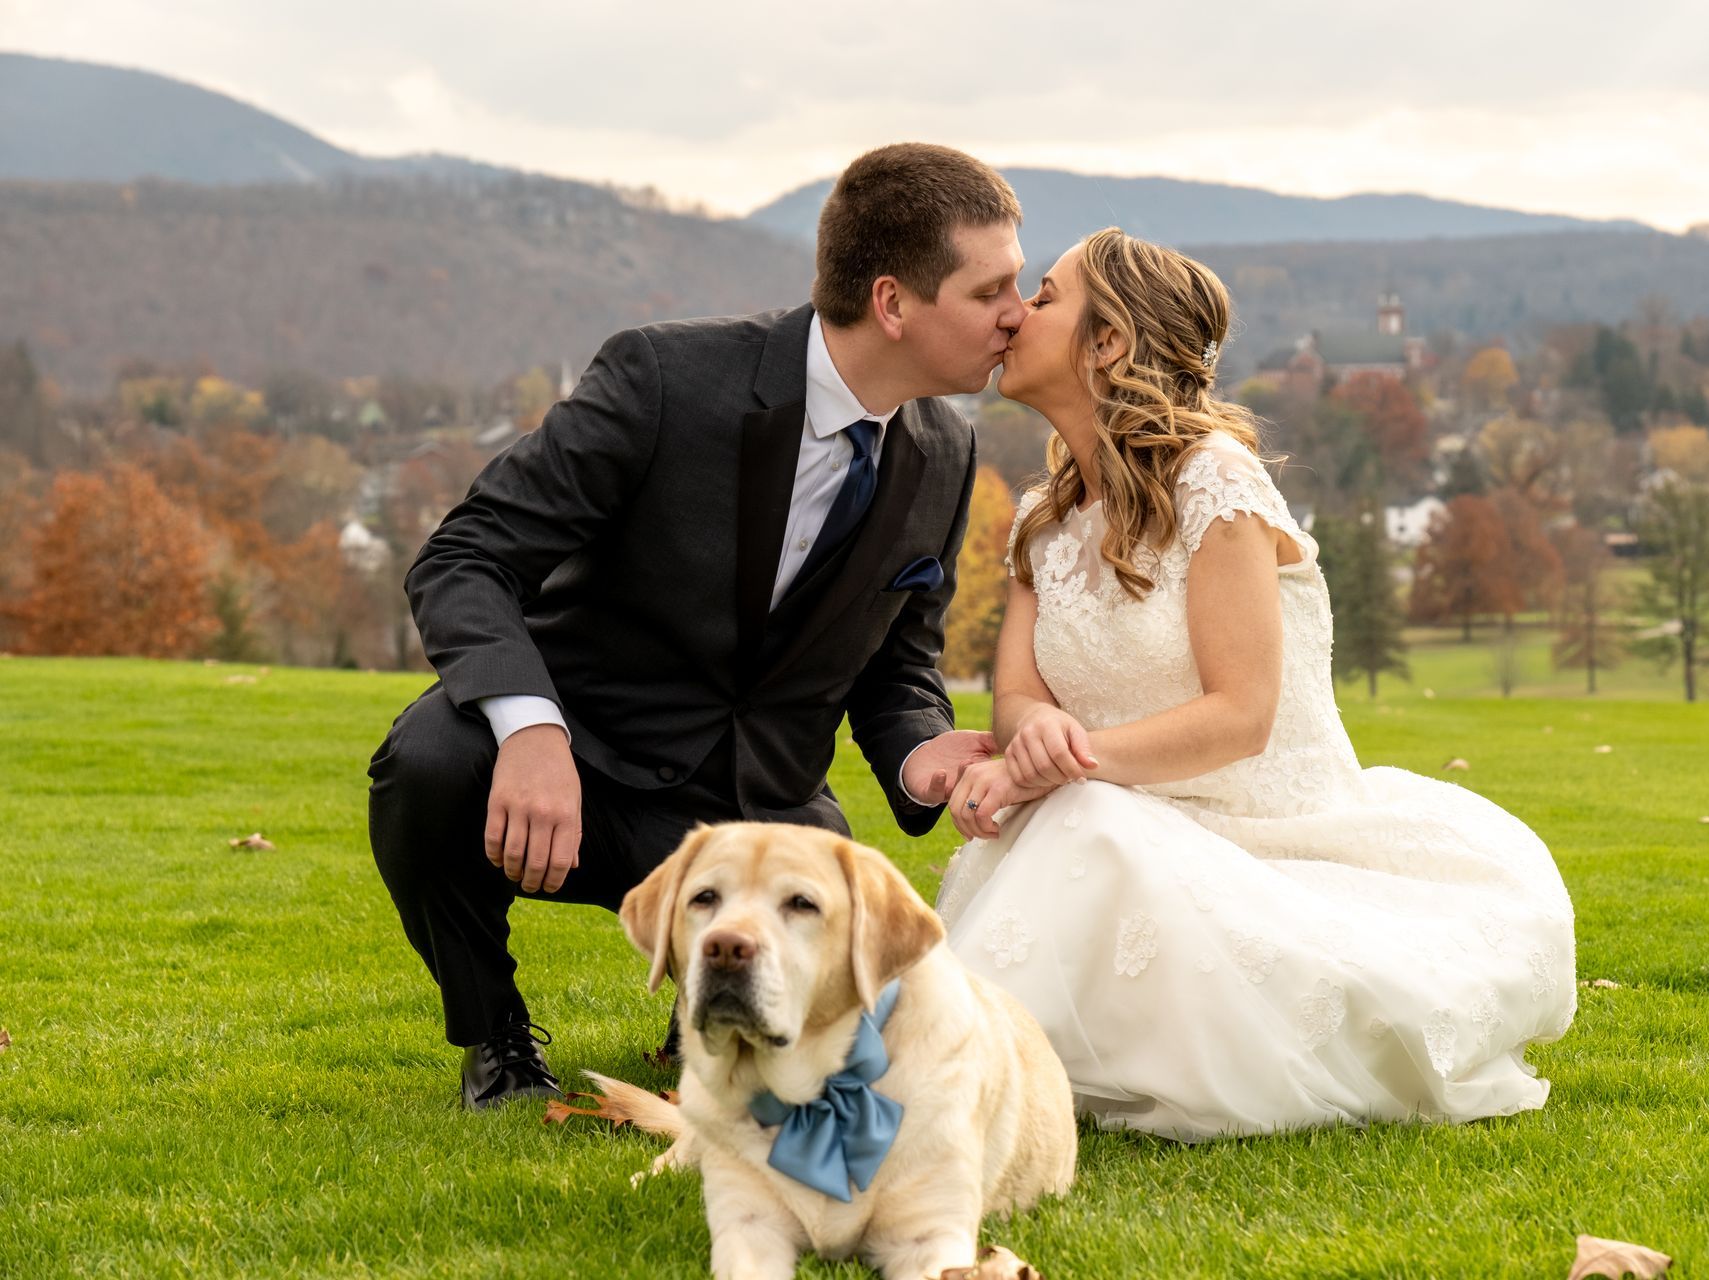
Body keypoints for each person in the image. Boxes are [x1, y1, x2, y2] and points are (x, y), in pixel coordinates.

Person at [368, 143, 1026, 1109]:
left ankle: (710, 1022)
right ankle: (497, 1036)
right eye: (993, 289)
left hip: (761, 806)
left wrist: (923, 749)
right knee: (427, 764)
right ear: (894, 304)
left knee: (816, 1064)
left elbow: (898, 666)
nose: (1019, 312)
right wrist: (533, 731)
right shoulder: (666, 380)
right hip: (582, 760)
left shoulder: (946, 450)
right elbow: (464, 556)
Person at [935, 228, 1577, 1141]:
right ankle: (952, 1068)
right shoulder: (1045, 515)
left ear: (1108, 341)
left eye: (1045, 296)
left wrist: (1059, 764)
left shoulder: (1216, 485)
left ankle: (947, 1078)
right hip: (1119, 815)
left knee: (1087, 817)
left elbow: (1242, 716)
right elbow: (1014, 693)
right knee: (1087, 821)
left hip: (1267, 835)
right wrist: (1032, 731)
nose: (1018, 314)